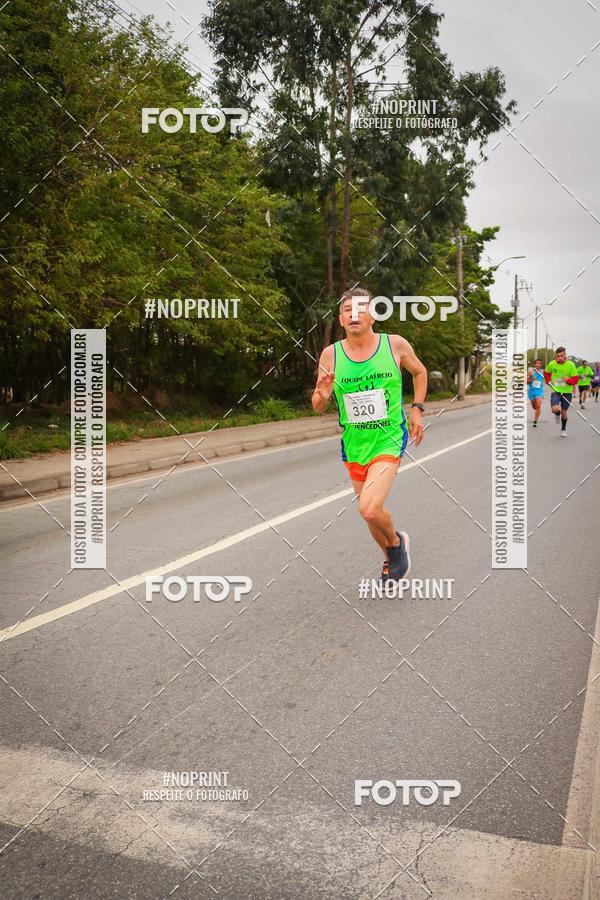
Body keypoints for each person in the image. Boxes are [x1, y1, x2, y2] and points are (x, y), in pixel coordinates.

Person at [312, 287, 427, 582]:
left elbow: (420, 372)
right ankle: (390, 558)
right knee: (369, 514)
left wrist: (417, 410)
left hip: (388, 438)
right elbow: (317, 404)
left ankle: (397, 543)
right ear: (340, 319)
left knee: (369, 508)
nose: (353, 315)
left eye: (360, 309)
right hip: (354, 443)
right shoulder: (330, 354)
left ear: (373, 316)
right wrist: (322, 394)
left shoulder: (394, 345)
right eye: (347, 310)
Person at [544, 347, 579, 437]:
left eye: (561, 355)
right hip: (556, 391)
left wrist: (568, 380)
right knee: (554, 409)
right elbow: (546, 373)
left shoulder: (571, 365)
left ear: (565, 355)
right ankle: (557, 413)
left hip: (567, 392)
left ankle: (563, 430)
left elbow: (575, 379)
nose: (559, 358)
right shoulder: (552, 364)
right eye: (558, 356)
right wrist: (548, 381)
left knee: (564, 412)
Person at [527, 358, 544, 427]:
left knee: (538, 405)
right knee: (534, 407)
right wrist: (531, 378)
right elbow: (527, 382)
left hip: (539, 391)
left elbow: (548, 378)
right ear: (534, 364)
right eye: (537, 363)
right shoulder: (531, 372)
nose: (538, 365)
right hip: (531, 391)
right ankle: (536, 410)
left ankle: (535, 421)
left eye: (540, 363)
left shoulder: (542, 372)